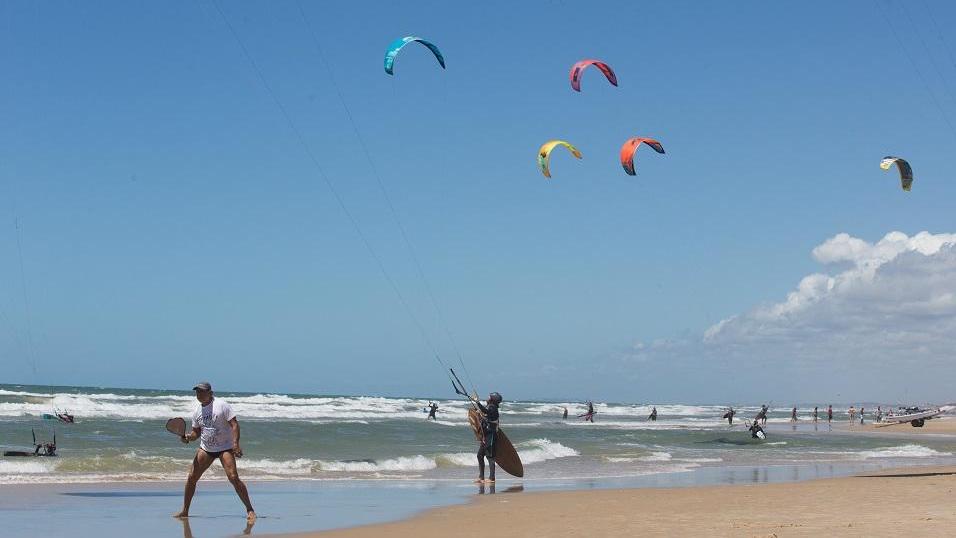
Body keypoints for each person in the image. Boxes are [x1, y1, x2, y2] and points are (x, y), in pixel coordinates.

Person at [174, 382, 255, 523]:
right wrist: (188, 437)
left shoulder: (222, 405)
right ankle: (185, 511)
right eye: (197, 392)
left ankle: (250, 509)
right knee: (192, 478)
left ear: (210, 393)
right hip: (206, 448)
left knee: (233, 477)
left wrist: (236, 444)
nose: (199, 394)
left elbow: (234, 424)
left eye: (202, 392)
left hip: (225, 448)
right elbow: (196, 433)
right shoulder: (197, 411)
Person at [475, 392, 502, 484]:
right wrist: (479, 414)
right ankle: (481, 477)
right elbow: (486, 416)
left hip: (490, 436)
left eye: (489, 397)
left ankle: (492, 478)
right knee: (480, 455)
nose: (487, 398)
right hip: (485, 436)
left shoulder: (492, 407)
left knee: (490, 457)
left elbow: (486, 412)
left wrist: (477, 402)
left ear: (492, 399)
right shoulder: (491, 408)